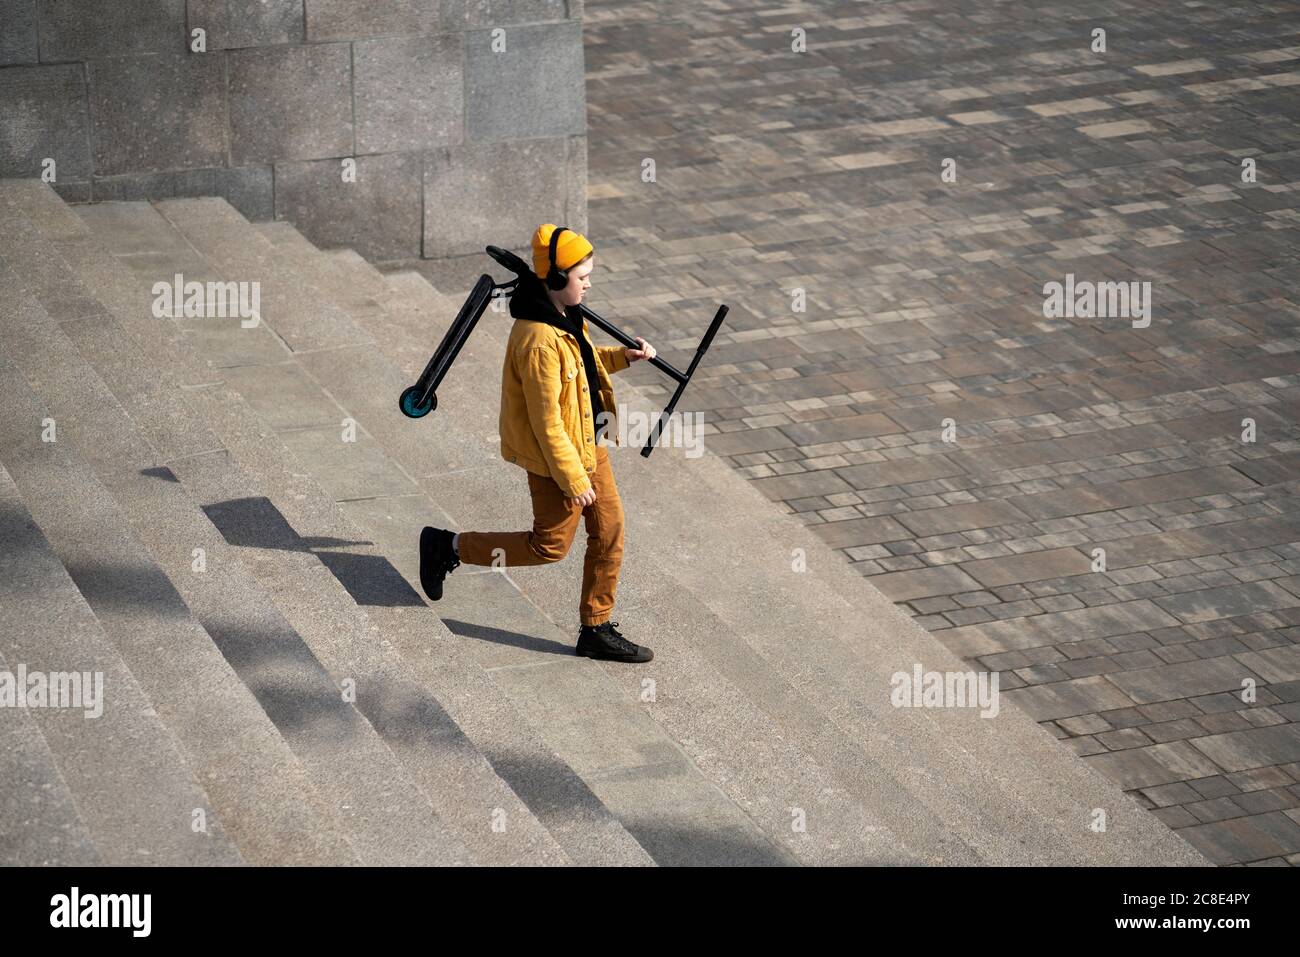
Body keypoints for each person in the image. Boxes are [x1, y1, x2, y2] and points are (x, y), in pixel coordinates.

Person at [419, 224, 658, 663]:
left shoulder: (564, 315)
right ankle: (446, 546)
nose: (588, 283)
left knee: (610, 531)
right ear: (554, 279)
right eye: (582, 276)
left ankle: (596, 628)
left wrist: (623, 357)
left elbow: (583, 366)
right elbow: (547, 422)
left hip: (588, 444)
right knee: (547, 547)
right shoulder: (536, 341)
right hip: (557, 461)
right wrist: (572, 479)